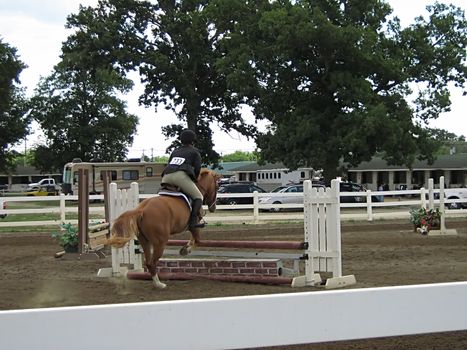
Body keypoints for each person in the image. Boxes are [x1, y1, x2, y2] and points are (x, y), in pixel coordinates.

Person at [161, 129, 204, 229]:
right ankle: (193, 222)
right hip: (180, 176)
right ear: (193, 141)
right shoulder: (194, 151)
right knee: (198, 197)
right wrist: (195, 179)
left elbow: (169, 163)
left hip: (166, 176)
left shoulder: (175, 151)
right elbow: (197, 168)